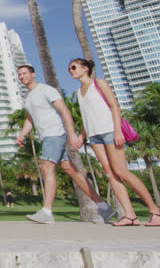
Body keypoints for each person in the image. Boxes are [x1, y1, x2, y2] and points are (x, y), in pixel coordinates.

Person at [68, 58, 160, 227]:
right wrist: (82, 136)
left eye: (74, 67)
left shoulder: (99, 83)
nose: (71, 70)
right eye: (70, 69)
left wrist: (118, 130)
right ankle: (130, 215)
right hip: (94, 136)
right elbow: (86, 117)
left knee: (122, 172)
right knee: (110, 174)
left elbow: (114, 105)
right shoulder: (79, 92)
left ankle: (155, 210)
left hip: (110, 131)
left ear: (85, 69)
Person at [15, 65, 114, 224]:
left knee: (47, 167)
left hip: (54, 134)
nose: (21, 76)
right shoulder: (28, 98)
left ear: (33, 74)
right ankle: (103, 206)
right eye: (19, 74)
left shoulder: (46, 90)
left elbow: (65, 111)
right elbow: (30, 119)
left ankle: (47, 212)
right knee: (70, 169)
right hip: (46, 136)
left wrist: (72, 134)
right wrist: (22, 134)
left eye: (24, 73)